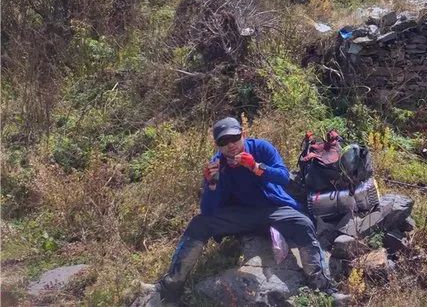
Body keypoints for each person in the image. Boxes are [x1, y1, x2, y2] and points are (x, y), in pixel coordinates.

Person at [144, 117, 343, 304]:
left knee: (303, 222)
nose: (231, 145)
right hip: (240, 216)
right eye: (224, 142)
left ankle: (322, 287)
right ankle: (171, 286)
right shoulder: (218, 164)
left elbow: (284, 177)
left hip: (273, 208)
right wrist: (211, 185)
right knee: (199, 224)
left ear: (243, 134)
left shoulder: (261, 148)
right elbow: (208, 210)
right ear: (218, 146)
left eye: (234, 138)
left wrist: (256, 167)